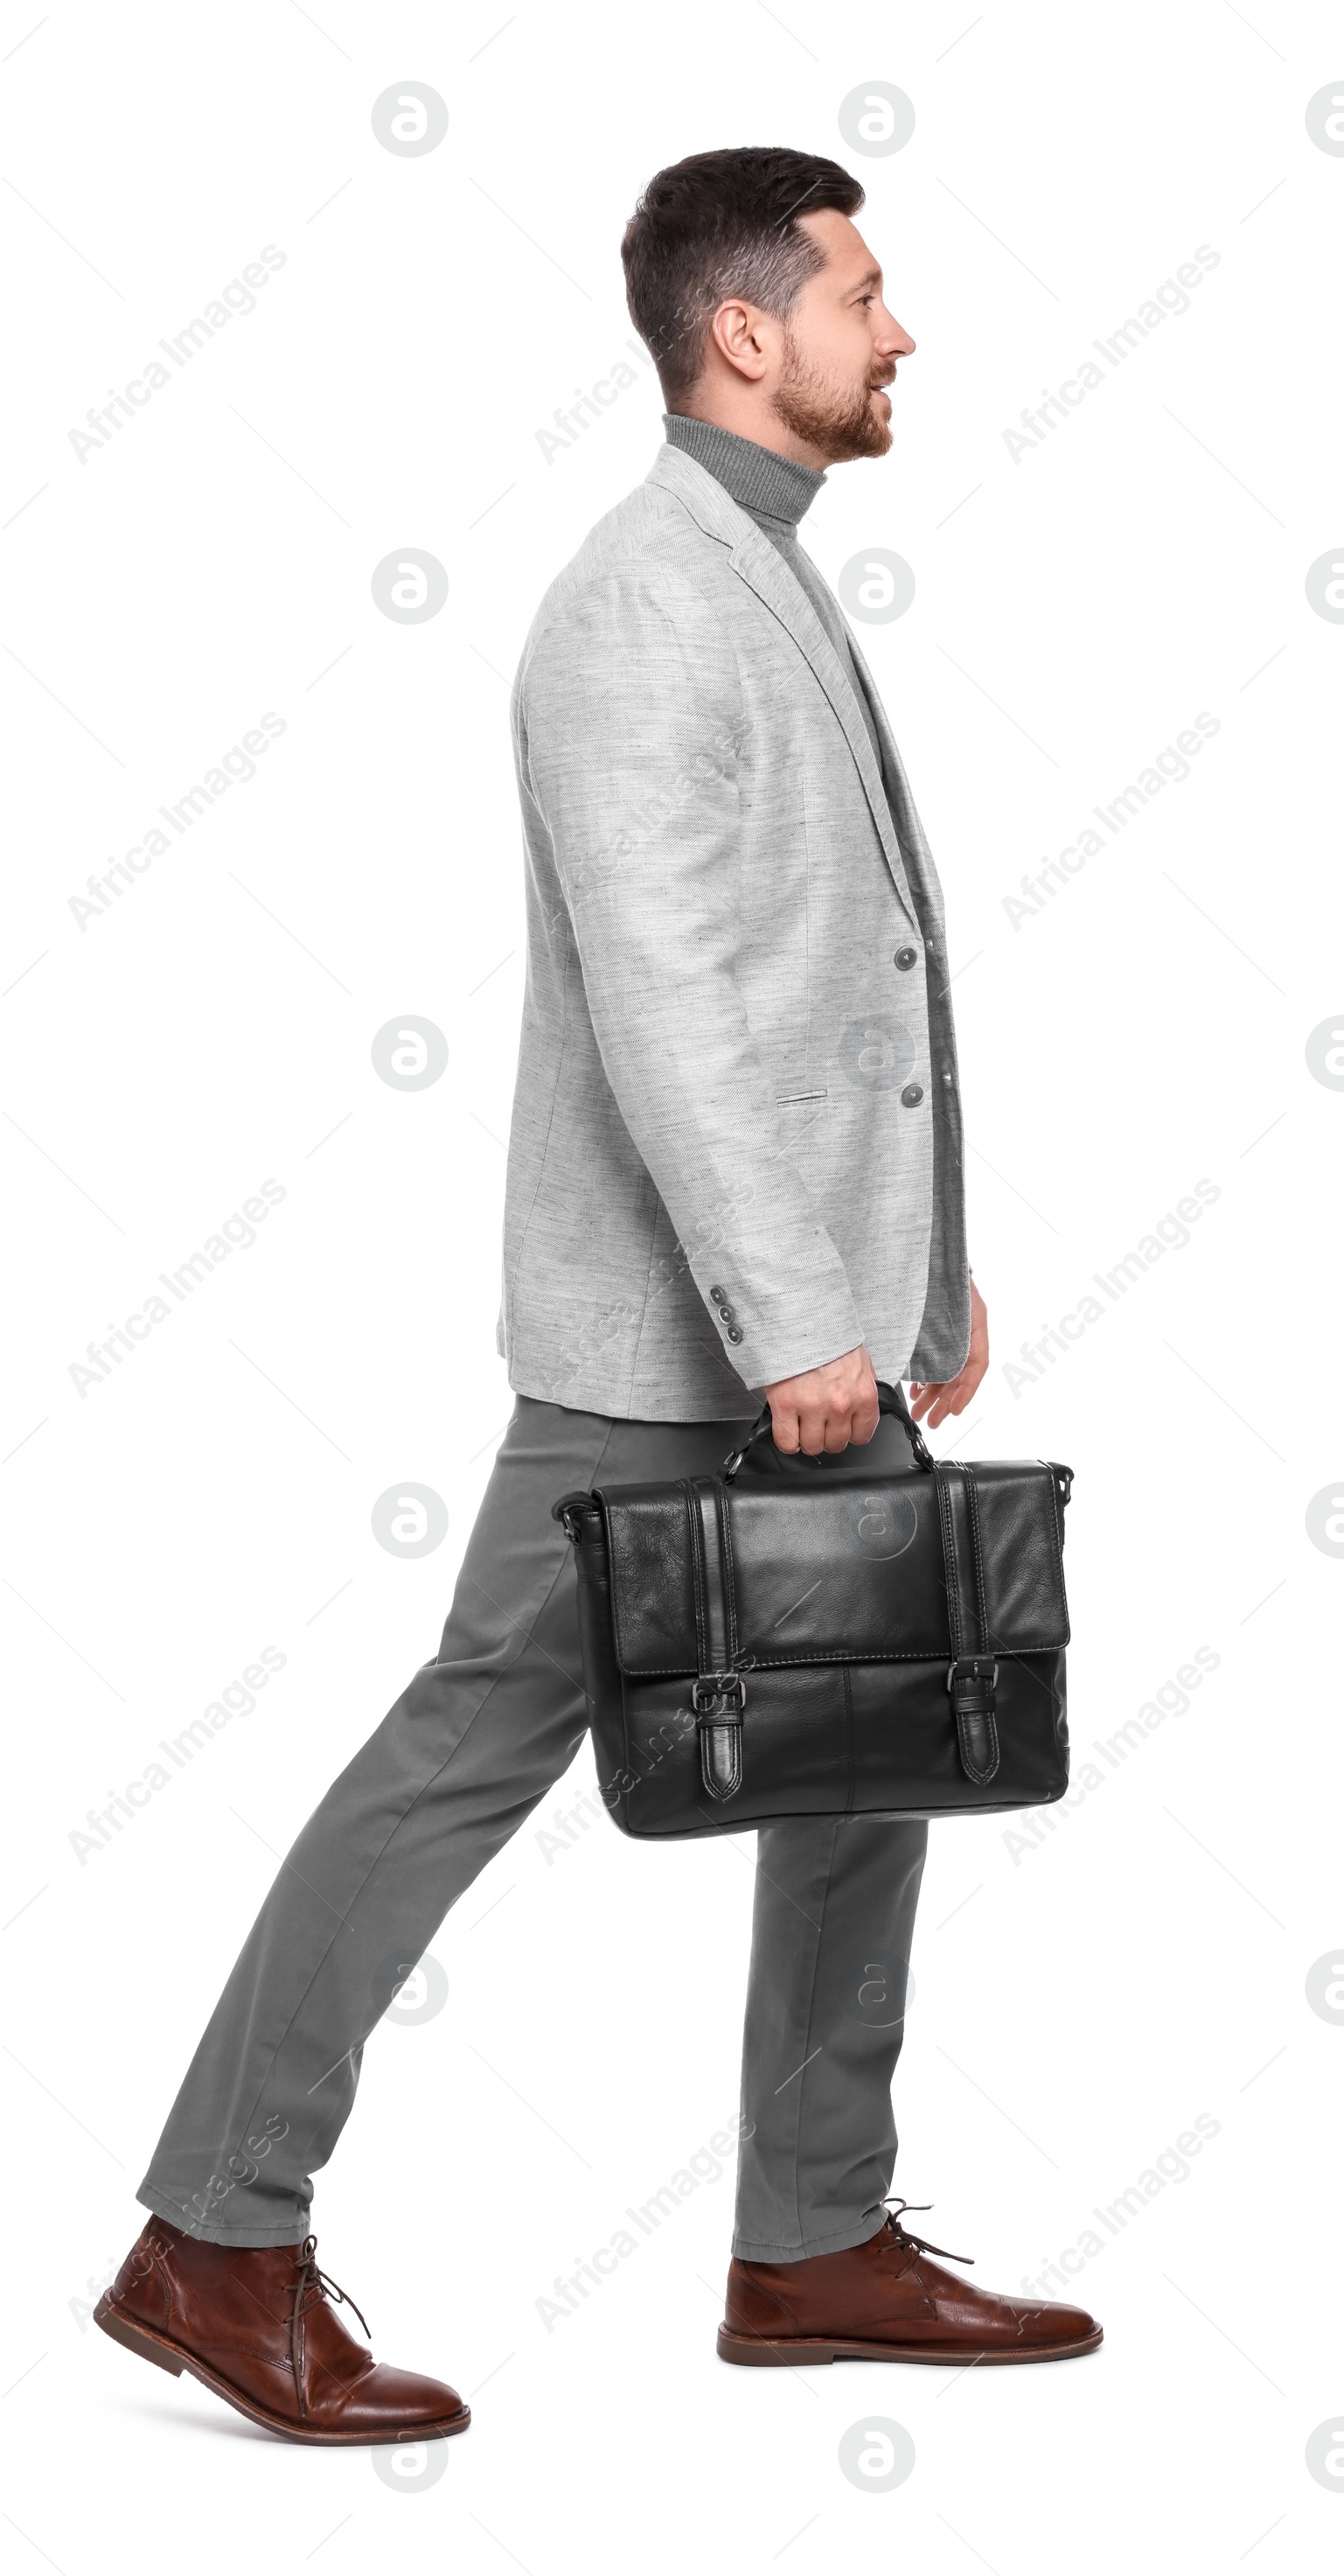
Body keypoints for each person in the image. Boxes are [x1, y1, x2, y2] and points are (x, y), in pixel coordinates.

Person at [95, 144, 1100, 2448]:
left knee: (879, 1750)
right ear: (747, 330)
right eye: (864, 289)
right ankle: (217, 2231)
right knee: (471, 1748)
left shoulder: (757, 576)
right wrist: (789, 1324)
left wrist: (912, 1268)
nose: (900, 328)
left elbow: (833, 968)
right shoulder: (646, 604)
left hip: (812, 1326)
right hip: (691, 1356)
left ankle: (815, 2229)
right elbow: (669, 1003)